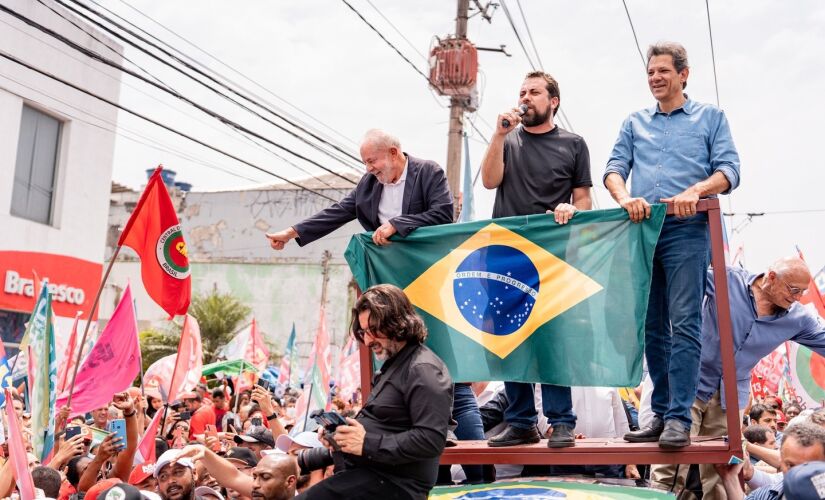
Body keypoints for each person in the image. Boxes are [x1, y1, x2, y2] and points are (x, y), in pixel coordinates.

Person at [606, 41, 741, 449]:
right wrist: (624, 197)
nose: (655, 78)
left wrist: (695, 190)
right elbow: (614, 170)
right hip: (644, 233)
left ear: (684, 74)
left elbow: (729, 170)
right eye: (650, 72)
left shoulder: (711, 117)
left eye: (663, 71)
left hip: (687, 230)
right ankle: (660, 414)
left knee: (684, 323)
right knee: (651, 328)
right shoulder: (634, 122)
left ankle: (680, 418)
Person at [479, 70, 591, 449]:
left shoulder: (574, 144)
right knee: (510, 337)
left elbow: (584, 200)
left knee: (551, 338)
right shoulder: (507, 140)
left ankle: (561, 422)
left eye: (535, 92)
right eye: (522, 91)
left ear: (553, 101)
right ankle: (521, 421)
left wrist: (570, 209)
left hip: (551, 256)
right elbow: (490, 181)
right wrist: (497, 134)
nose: (526, 97)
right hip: (506, 253)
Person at [651, 257, 825, 495]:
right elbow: (680, 280)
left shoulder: (798, 317)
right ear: (771, 277)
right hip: (689, 384)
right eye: (793, 290)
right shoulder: (726, 279)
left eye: (802, 292)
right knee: (672, 461)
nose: (796, 297)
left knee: (725, 468)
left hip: (730, 397)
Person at [297, 284, 453, 499]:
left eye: (374, 330)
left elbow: (431, 439)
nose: (368, 340)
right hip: (371, 476)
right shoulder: (395, 363)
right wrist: (341, 434)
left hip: (394, 485)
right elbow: (385, 424)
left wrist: (366, 443)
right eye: (363, 332)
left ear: (397, 322)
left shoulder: (423, 369)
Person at [265, 128, 453, 249]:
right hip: (385, 262)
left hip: (423, 262)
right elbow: (337, 213)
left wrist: (397, 224)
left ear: (393, 153)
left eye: (372, 161)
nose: (369, 168)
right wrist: (290, 233)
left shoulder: (428, 172)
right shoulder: (368, 183)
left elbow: (443, 215)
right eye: (365, 163)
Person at [717, 422, 825, 499]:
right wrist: (730, 478)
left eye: (809, 466)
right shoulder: (767, 495)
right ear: (781, 463)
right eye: (791, 466)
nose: (799, 474)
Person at [174, 446, 298, 500]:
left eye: (265, 477)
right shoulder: (262, 491)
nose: (255, 484)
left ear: (290, 481)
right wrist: (205, 452)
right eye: (254, 477)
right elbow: (232, 476)